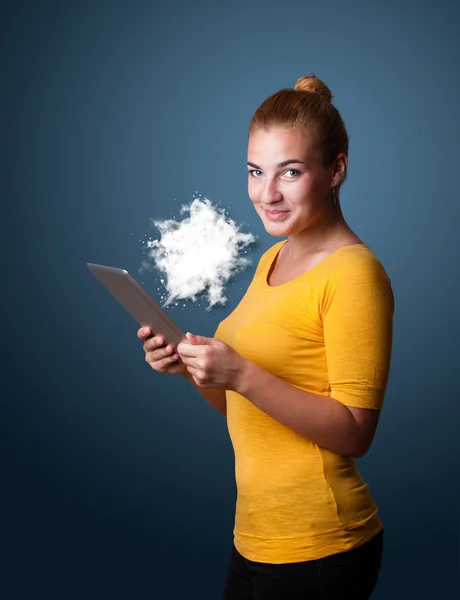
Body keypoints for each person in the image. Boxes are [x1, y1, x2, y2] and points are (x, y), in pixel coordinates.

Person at [137, 75, 394, 599]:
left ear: (336, 170)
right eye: (255, 172)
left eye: (290, 172)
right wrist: (191, 366)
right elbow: (244, 407)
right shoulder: (274, 257)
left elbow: (355, 433)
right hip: (255, 539)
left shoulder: (355, 274)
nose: (266, 193)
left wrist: (243, 373)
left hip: (322, 546)